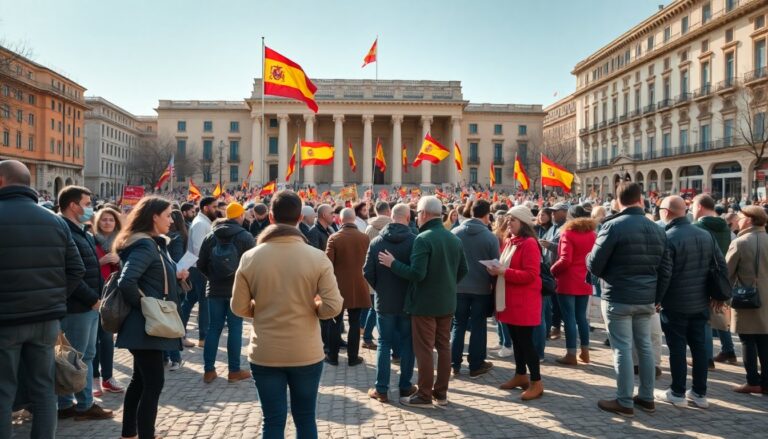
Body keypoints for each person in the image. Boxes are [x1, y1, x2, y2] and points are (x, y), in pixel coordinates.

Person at [231, 191, 343, 439]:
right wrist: (313, 308)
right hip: (305, 350)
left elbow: (238, 307)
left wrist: (262, 311)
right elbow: (333, 306)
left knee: (272, 420)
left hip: (265, 351)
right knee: (305, 418)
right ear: (301, 218)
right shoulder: (316, 257)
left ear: (270, 217)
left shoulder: (250, 257)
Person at [0, 160, 85, 439]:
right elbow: (77, 269)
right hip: (46, 319)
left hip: (7, 321)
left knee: (4, 390)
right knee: (44, 389)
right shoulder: (55, 221)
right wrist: (55, 299)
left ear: (2, 181)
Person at [379, 196, 468, 408]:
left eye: (417, 213)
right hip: (446, 302)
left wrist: (393, 264)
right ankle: (441, 393)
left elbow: (417, 274)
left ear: (425, 214)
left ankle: (425, 394)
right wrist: (447, 283)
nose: (416, 218)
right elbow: (463, 270)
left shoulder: (423, 238)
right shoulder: (453, 238)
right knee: (443, 347)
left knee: (425, 349)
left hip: (424, 304)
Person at [588, 182, 668, 417]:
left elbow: (594, 265)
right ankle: (646, 397)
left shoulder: (613, 226)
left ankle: (624, 400)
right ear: (640, 199)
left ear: (617, 201)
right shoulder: (657, 228)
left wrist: (589, 259)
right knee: (644, 346)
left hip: (619, 297)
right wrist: (658, 297)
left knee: (622, 348)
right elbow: (666, 269)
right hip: (646, 299)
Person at [114, 196, 188, 439]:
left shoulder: (153, 243)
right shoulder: (145, 245)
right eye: (167, 215)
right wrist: (146, 306)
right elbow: (127, 282)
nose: (171, 219)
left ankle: (129, 433)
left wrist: (175, 277)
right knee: (153, 384)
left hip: (145, 324)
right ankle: (146, 434)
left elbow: (149, 277)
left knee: (140, 380)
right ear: (154, 216)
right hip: (145, 324)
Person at [655, 195, 724, 409]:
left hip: (675, 303)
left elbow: (665, 273)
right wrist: (718, 295)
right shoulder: (705, 235)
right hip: (700, 302)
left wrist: (656, 299)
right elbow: (720, 266)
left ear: (666, 212)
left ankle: (677, 392)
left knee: (677, 349)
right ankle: (699, 393)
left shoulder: (668, 237)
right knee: (699, 348)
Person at [57, 186, 114, 421]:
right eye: (87, 203)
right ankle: (82, 405)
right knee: (76, 358)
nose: (91, 208)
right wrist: (92, 299)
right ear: (73, 205)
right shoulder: (63, 231)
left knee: (82, 356)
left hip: (90, 305)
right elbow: (70, 274)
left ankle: (71, 403)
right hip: (78, 306)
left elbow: (93, 271)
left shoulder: (84, 232)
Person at [488, 206, 544, 401]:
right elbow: (506, 267)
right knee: (517, 342)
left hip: (524, 301)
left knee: (526, 343)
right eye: (508, 220)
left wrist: (503, 272)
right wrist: (495, 269)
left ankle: (536, 381)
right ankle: (521, 375)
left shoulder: (529, 243)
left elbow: (531, 275)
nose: (508, 223)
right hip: (510, 299)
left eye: (513, 220)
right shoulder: (510, 241)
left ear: (523, 223)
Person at [363, 204, 417, 403]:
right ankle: (405, 387)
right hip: (407, 301)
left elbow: (367, 271)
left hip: (384, 301)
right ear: (408, 217)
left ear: (391, 217)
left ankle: (382, 389)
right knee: (407, 344)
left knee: (384, 344)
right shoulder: (414, 240)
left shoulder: (377, 241)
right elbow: (418, 271)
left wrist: (381, 288)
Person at [197, 202, 255, 384]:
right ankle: (234, 371)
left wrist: (213, 277)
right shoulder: (245, 236)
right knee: (235, 329)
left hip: (213, 288)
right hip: (236, 289)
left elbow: (201, 264)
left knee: (213, 328)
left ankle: (208, 370)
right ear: (240, 216)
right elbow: (252, 266)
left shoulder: (210, 236)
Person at [451, 199, 499, 378]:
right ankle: (476, 364)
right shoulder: (489, 237)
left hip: (458, 287)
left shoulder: (455, 232)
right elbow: (496, 265)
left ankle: (454, 363)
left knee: (458, 324)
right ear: (487, 216)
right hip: (481, 288)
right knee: (478, 326)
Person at [726, 206, 768, 394]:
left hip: (747, 300)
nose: (738, 220)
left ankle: (753, 381)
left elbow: (727, 273)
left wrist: (721, 297)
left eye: (741, 217)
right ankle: (766, 383)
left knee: (747, 341)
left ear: (750, 220)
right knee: (765, 342)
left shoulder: (741, 242)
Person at [692, 194, 736, 365]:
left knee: (704, 320)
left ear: (700, 207)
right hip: (721, 277)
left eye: (693, 206)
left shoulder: (697, 227)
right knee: (720, 314)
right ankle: (729, 350)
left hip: (702, 278)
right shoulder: (725, 227)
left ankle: (706, 359)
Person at [550, 205, 596, 366]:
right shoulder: (592, 234)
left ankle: (571, 353)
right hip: (585, 280)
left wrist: (551, 270)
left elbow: (565, 260)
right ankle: (585, 352)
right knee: (581, 317)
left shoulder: (568, 233)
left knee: (569, 318)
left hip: (568, 281)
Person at [325, 208, 371, 366]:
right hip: (359, 284)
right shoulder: (365, 238)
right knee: (355, 322)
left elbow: (327, 264)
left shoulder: (334, 238)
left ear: (340, 220)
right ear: (354, 219)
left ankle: (332, 356)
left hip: (337, 286)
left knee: (335, 322)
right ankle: (353, 357)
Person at [92, 207, 125, 396]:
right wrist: (101, 262)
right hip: (95, 294)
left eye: (111, 220)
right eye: (103, 220)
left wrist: (119, 260)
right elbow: (84, 267)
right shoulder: (91, 240)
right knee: (93, 341)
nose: (107, 223)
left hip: (113, 295)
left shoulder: (121, 242)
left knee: (107, 338)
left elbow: (128, 265)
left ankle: (108, 377)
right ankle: (94, 378)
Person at [181, 196, 216, 348]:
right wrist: (208, 267)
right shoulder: (201, 224)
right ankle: (203, 337)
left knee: (189, 302)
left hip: (196, 267)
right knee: (204, 302)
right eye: (214, 207)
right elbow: (199, 248)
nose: (217, 210)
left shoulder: (202, 222)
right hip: (199, 268)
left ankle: (179, 333)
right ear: (206, 208)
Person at [361, 201, 393, 350]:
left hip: (373, 272)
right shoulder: (393, 226)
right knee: (379, 309)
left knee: (374, 308)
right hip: (389, 270)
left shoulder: (369, 228)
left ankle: (367, 336)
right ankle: (369, 336)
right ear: (388, 211)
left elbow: (365, 251)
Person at [164, 210, 188, 370]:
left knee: (169, 321)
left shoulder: (175, 238)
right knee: (168, 321)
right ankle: (171, 357)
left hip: (172, 283)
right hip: (168, 284)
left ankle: (173, 357)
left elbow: (177, 260)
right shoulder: (177, 236)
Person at [541, 203, 567, 340]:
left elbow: (566, 250)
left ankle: (556, 327)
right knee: (551, 301)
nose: (553, 214)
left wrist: (549, 245)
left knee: (557, 303)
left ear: (564, 212)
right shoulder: (553, 228)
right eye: (551, 212)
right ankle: (553, 326)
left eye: (555, 211)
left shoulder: (566, 228)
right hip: (549, 267)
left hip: (559, 268)